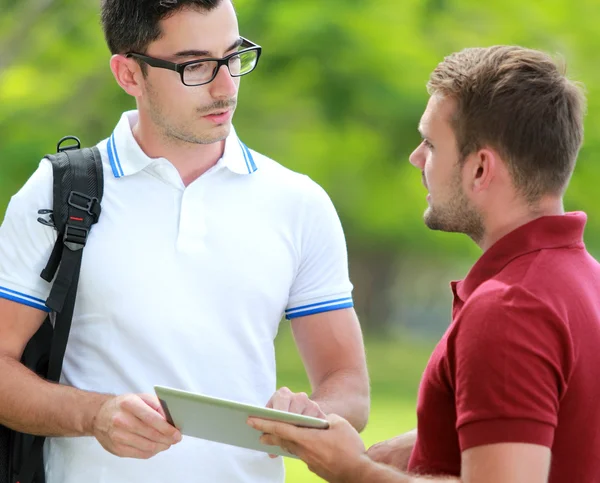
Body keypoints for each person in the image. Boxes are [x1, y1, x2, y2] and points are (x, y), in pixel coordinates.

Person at [0, 1, 370, 482]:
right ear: (129, 73)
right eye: (195, 65)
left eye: (233, 56)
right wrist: (94, 415)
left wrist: (308, 415)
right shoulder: (58, 192)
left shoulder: (298, 202)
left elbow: (349, 386)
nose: (225, 87)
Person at [248, 45, 600, 483]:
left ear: (480, 169)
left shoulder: (508, 310)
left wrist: (352, 470)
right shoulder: (587, 283)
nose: (417, 158)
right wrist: (440, 436)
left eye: (431, 144)